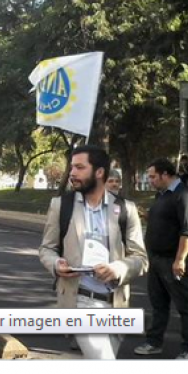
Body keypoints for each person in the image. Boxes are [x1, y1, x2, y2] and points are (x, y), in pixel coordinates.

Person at [39, 145, 148, 359]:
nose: (72, 173)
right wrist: (56, 264)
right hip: (79, 300)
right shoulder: (61, 205)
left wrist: (118, 269)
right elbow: (47, 248)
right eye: (72, 167)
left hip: (116, 303)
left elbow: (141, 259)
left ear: (99, 172)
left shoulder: (126, 209)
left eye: (79, 167)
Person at [135, 158, 188, 359]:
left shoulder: (184, 196)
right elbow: (167, 220)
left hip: (174, 261)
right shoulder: (162, 196)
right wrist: (146, 216)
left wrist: (180, 259)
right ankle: (154, 342)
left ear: (166, 174)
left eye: (153, 176)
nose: (151, 180)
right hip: (156, 260)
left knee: (185, 307)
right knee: (158, 304)